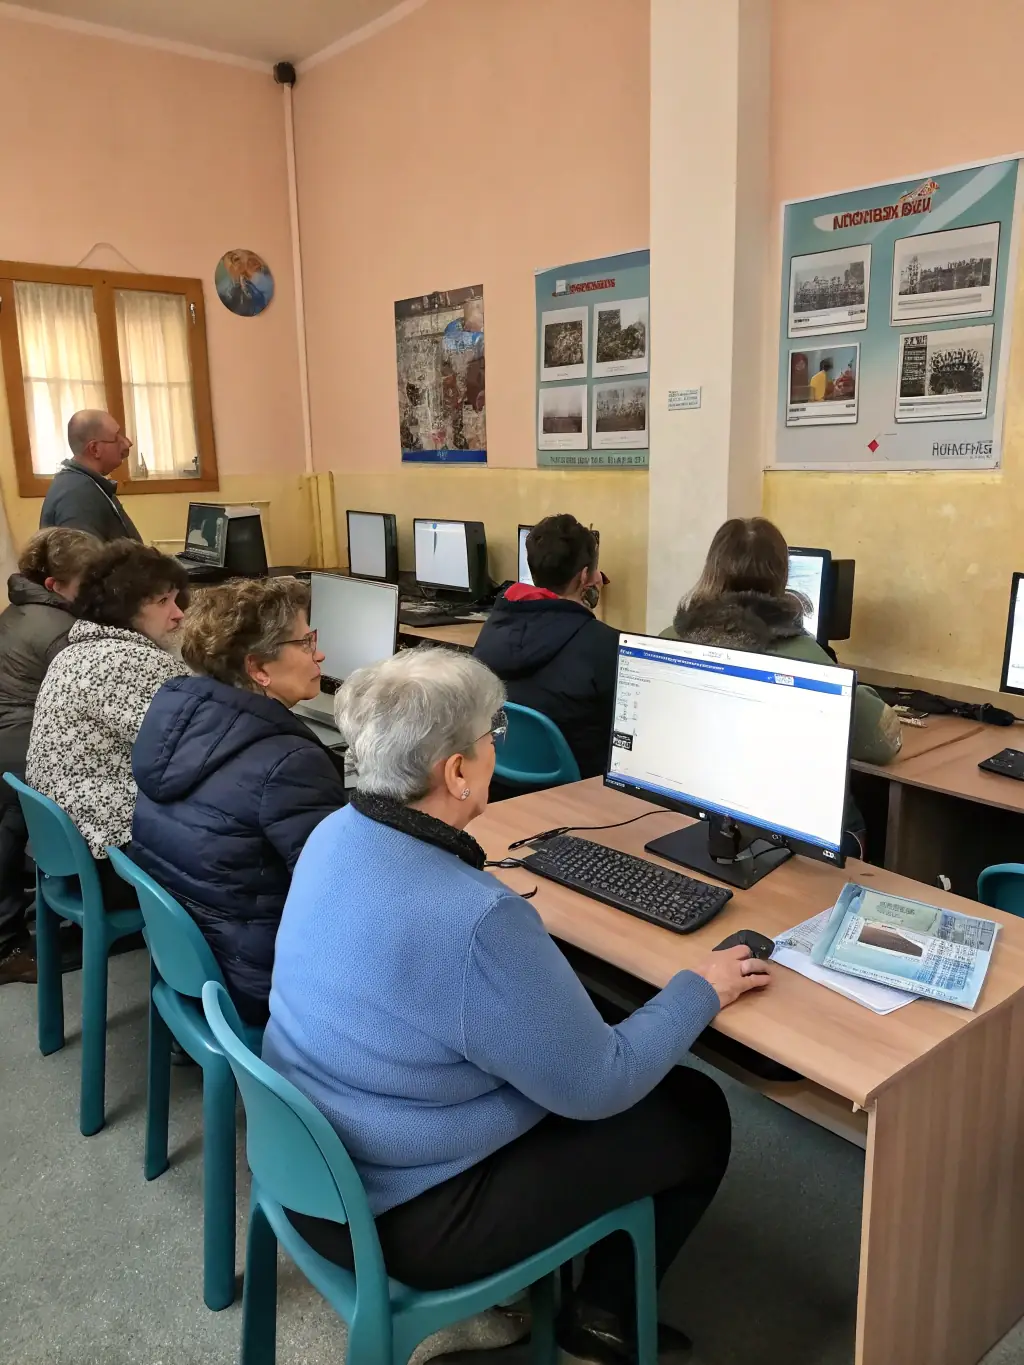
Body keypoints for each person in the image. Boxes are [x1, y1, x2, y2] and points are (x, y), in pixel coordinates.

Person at [263, 649, 768, 1363]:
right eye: (491, 733)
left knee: (581, 1024)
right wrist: (701, 986)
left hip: (313, 1168)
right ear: (456, 772)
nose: (497, 747)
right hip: (405, 1218)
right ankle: (601, 1323)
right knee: (694, 1107)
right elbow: (600, 1085)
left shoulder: (335, 832)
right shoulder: (475, 919)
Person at [129, 578, 348, 1026]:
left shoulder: (177, 717)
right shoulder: (290, 762)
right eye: (306, 642)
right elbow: (339, 897)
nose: (320, 655)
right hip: (259, 981)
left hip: (196, 960)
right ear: (258, 668)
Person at [662, 517, 901, 852]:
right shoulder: (805, 658)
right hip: (785, 835)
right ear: (781, 577)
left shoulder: (668, 640)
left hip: (690, 815)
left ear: (711, 570)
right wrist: (854, 686)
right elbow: (882, 743)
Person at [25, 541, 188, 909]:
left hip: (67, 853)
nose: (178, 614)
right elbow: (191, 753)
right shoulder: (133, 662)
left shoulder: (74, 651)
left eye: (177, 599)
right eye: (163, 601)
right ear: (123, 604)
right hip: (110, 864)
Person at [0, 528, 98, 984]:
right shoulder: (61, 630)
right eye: (89, 582)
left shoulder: (21, 608)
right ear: (56, 585)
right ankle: (10, 945)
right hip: (20, 744)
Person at [473, 514, 618, 783]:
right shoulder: (604, 644)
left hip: (501, 783)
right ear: (585, 576)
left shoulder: (494, 627)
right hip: (578, 791)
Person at [39, 410, 141, 543]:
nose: (128, 443)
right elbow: (82, 555)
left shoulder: (87, 483)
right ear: (94, 449)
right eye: (117, 438)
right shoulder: (76, 496)